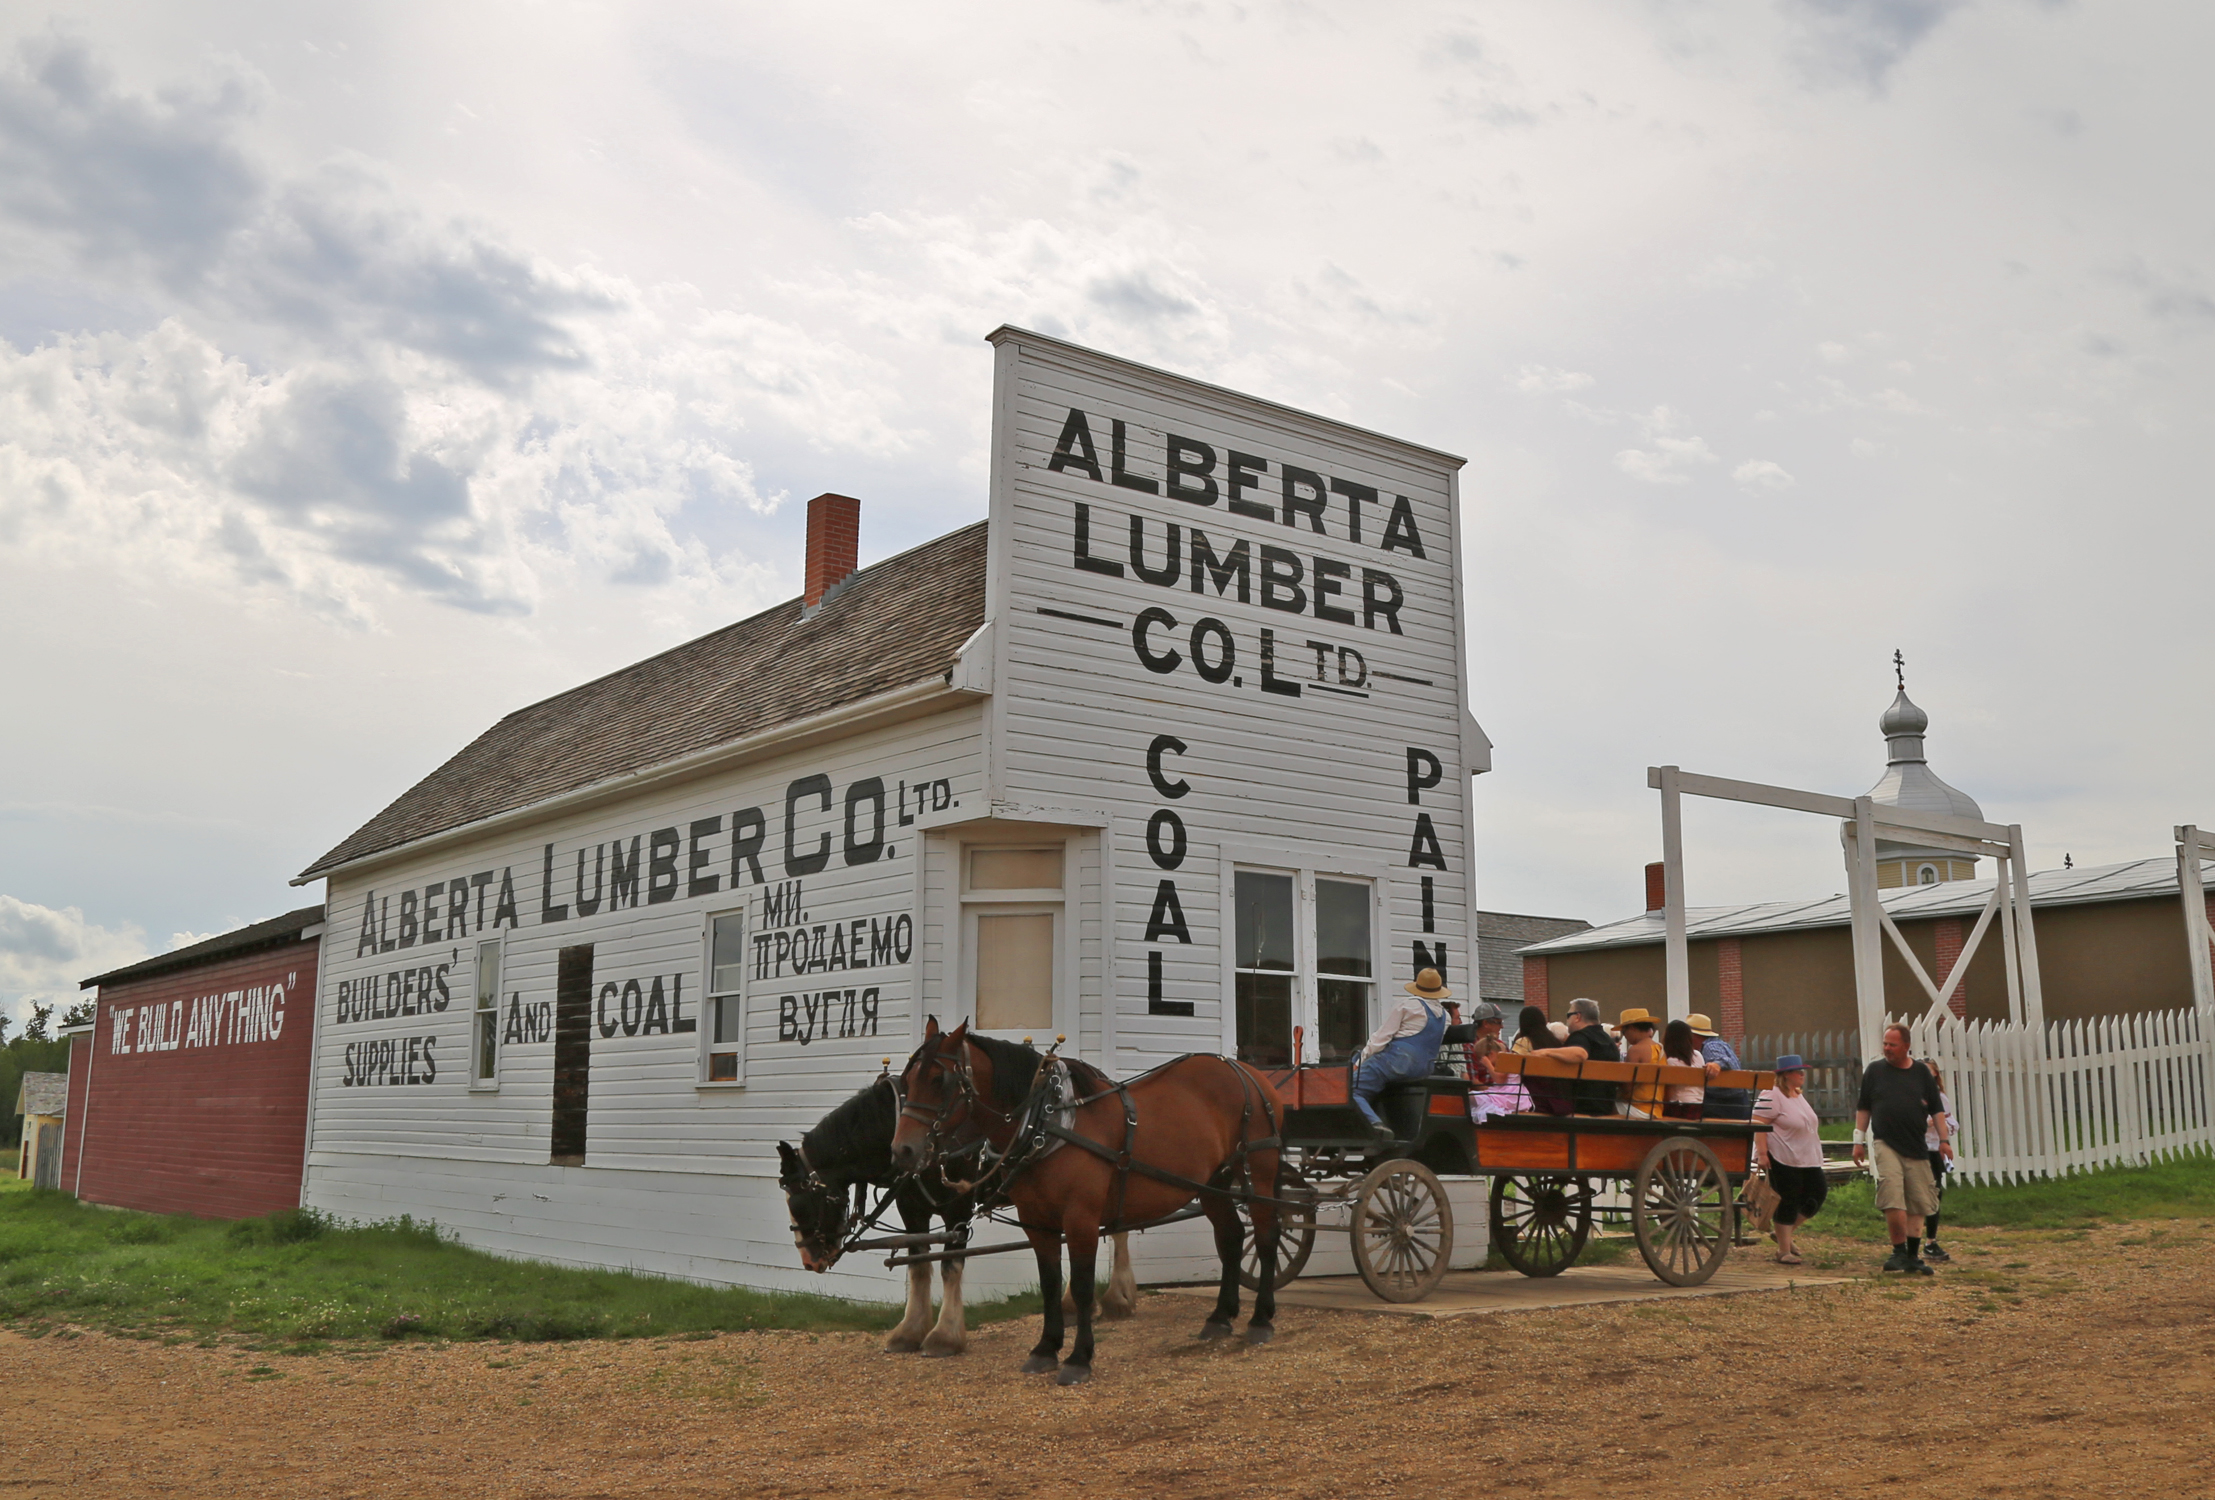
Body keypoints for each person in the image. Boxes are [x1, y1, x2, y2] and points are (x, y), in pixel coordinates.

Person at [1852, 1023, 1952, 1274]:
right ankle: (1897, 1251)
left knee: (1918, 1201)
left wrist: (1943, 1141)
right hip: (1886, 1142)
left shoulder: (1921, 1073)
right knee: (1892, 1193)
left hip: (1917, 1146)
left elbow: (1937, 1110)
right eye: (1885, 1043)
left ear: (1906, 1047)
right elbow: (1863, 1107)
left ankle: (1912, 1256)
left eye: (1892, 1044)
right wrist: (1858, 1140)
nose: (1886, 1048)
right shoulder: (1874, 1071)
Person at [1351, 968, 1451, 1147]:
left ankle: (1376, 1125)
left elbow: (1381, 1038)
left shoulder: (1407, 1006)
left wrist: (1359, 1062)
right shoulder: (1445, 1016)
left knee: (1351, 1088)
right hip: (1424, 1068)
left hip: (1398, 1062)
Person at [1754, 1054, 1827, 1265]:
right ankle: (1783, 1250)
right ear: (1786, 1075)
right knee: (1788, 1198)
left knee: (1817, 1192)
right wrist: (1762, 1153)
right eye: (1798, 1071)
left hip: (1807, 1156)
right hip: (1783, 1155)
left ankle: (1785, 1234)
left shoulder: (1797, 1094)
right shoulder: (1772, 1094)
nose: (1802, 1074)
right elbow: (1758, 1123)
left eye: (1802, 1070)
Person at [1921, 1062, 1958, 1263]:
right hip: (1917, 1150)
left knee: (1935, 1194)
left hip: (1935, 1150)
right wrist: (1931, 1122)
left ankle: (1930, 1241)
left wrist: (1939, 1124)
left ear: (1935, 1074)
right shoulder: (1912, 1095)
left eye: (1929, 1070)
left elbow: (1952, 1124)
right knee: (1917, 1195)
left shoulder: (1941, 1098)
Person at [1562, 998, 1622, 1115]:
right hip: (1606, 1107)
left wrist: (1545, 1052)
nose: (1567, 1020)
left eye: (1568, 1015)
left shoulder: (1580, 1037)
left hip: (1581, 1107)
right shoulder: (1609, 1041)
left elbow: (1579, 1053)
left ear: (1577, 1017)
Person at [1511, 1005, 1572, 1116]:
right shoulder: (1555, 1042)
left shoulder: (1523, 1042)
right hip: (1559, 1099)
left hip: (1534, 1100)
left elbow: (1512, 1069)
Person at [1687, 1013, 1751, 1120]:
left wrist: (1716, 1064)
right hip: (1739, 1104)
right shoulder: (1720, 1044)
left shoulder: (1709, 1046)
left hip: (1725, 1105)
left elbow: (1726, 1061)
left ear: (1694, 1036)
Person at [1661, 1018, 1714, 1120]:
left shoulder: (1670, 1061)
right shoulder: (1698, 1055)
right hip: (1698, 1106)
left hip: (1679, 1107)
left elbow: (1670, 1093)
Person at [1617, 1008, 1664, 1118]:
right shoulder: (1660, 1049)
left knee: (1605, 1105)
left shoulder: (1635, 1050)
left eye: (1624, 1032)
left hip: (1638, 1108)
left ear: (1632, 1028)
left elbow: (1627, 1088)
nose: (1624, 1036)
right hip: (1656, 1110)